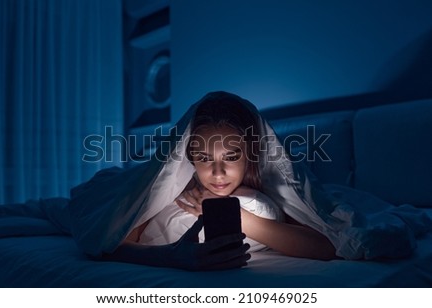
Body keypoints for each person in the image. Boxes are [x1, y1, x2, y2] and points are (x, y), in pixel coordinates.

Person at [101, 91, 336, 270]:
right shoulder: (173, 185)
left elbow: (325, 247)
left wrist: (233, 215)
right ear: (191, 158)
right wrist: (172, 257)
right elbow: (110, 245)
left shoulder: (271, 183)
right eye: (204, 158)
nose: (218, 173)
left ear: (250, 153)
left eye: (231, 157)